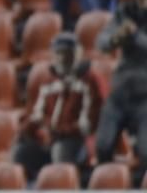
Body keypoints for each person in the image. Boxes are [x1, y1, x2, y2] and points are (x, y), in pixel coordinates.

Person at [15, 33, 104, 179]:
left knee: (60, 149)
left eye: (67, 54)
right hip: (53, 138)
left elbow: (88, 125)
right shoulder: (49, 82)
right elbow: (37, 115)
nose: (62, 59)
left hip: (79, 142)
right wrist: (26, 132)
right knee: (21, 152)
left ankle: (61, 192)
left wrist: (59, 130)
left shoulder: (89, 81)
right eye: (58, 54)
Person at [95, 0, 147, 183]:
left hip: (146, 97)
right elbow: (103, 42)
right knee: (103, 146)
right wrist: (118, 37)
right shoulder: (124, 12)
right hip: (121, 94)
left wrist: (134, 36)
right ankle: (109, 191)